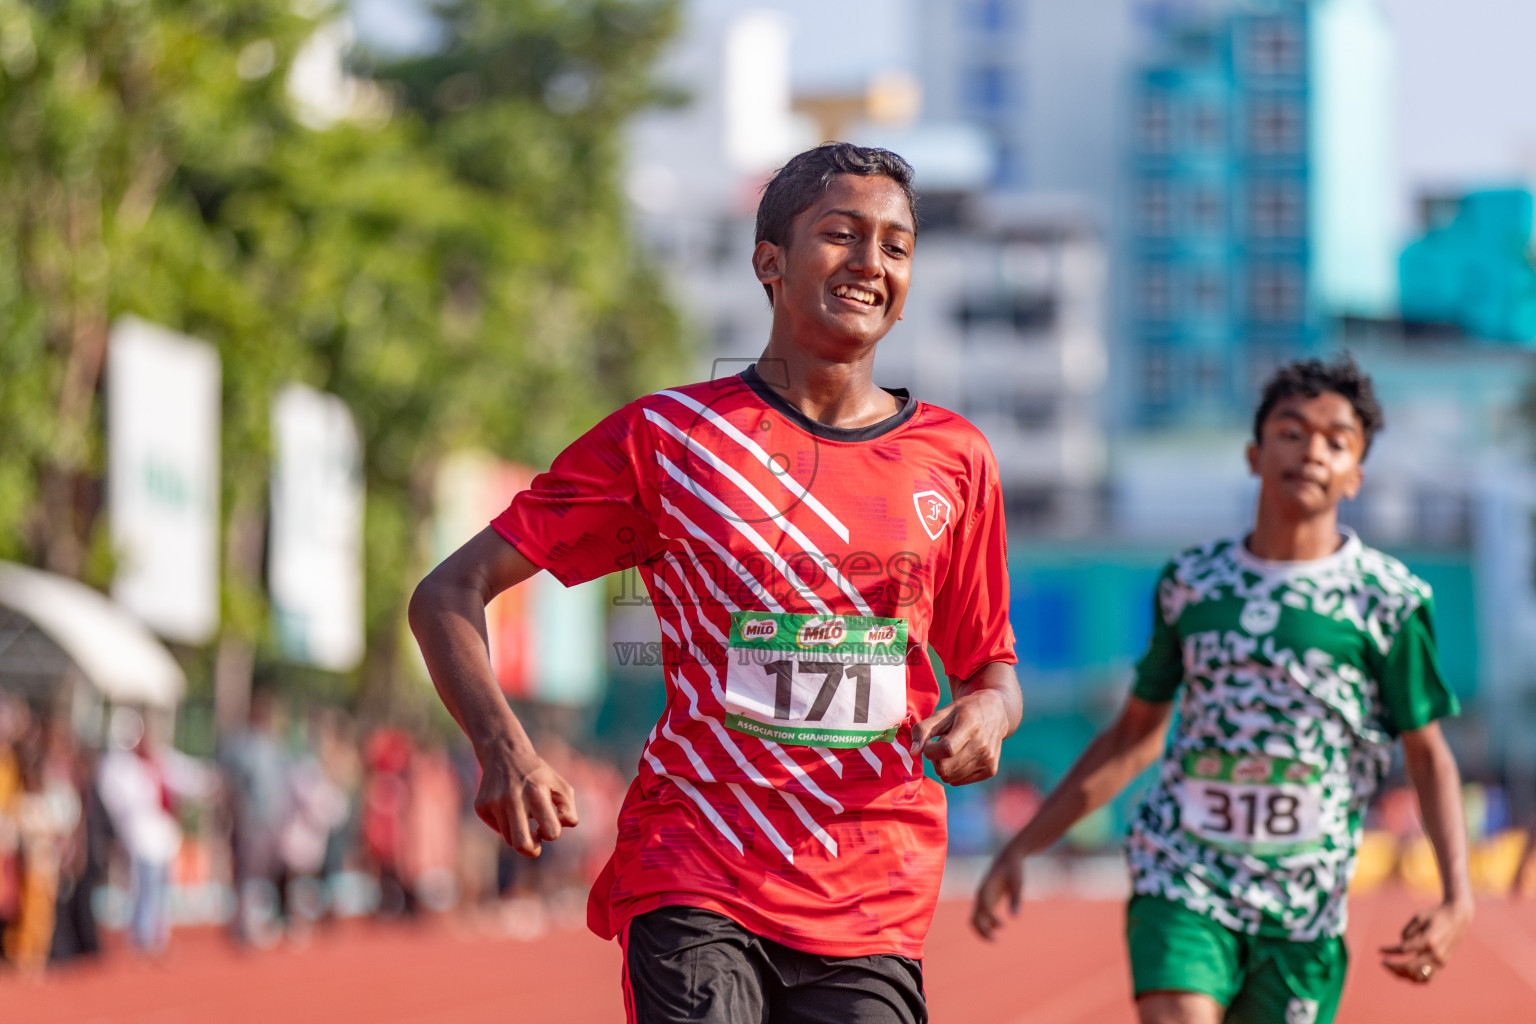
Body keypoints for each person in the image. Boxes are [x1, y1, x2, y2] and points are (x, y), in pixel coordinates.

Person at [411, 142, 1022, 1023]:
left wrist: (989, 714)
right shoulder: (670, 440)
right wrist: (503, 748)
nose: (870, 264)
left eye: (896, 245)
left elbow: (991, 667)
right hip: (698, 864)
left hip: (871, 884)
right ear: (768, 262)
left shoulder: (956, 460)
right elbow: (448, 592)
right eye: (841, 235)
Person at [973, 357, 1473, 1024]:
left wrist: (1455, 896)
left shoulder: (1389, 600)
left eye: (1336, 440)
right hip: (1184, 873)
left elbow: (1427, 752)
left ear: (1356, 474)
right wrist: (1023, 845)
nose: (1311, 452)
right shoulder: (1193, 583)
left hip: (1305, 901)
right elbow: (1133, 736)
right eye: (1292, 432)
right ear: (1254, 453)